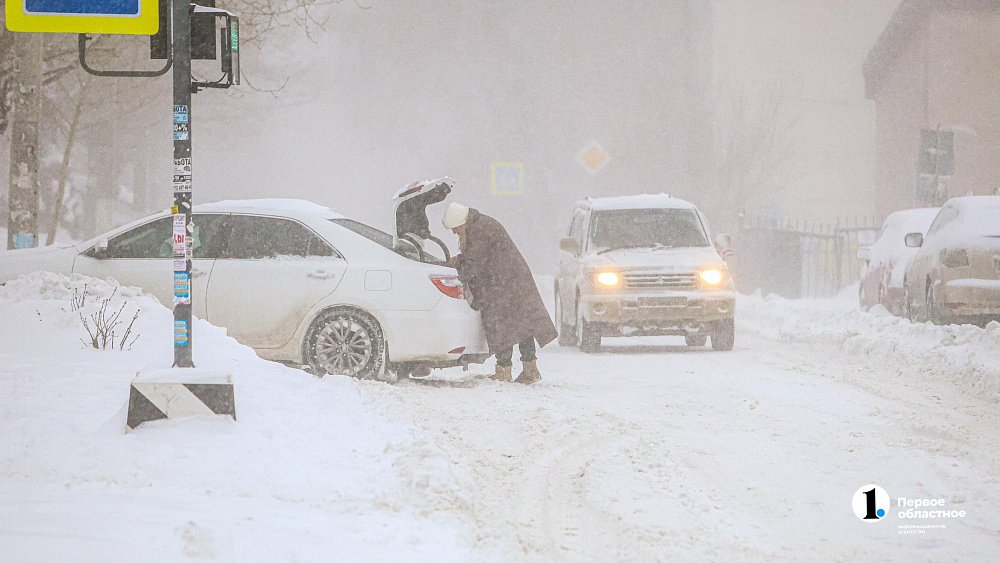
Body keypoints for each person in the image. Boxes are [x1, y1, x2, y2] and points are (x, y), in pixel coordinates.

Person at [442, 202, 558, 384]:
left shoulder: (478, 230)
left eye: (455, 228)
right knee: (522, 324)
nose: (454, 232)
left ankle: (504, 370)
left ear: (461, 223)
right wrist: (461, 260)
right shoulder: (480, 224)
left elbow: (475, 264)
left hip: (503, 283)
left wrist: (456, 269)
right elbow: (477, 257)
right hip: (511, 280)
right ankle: (530, 369)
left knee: (501, 325)